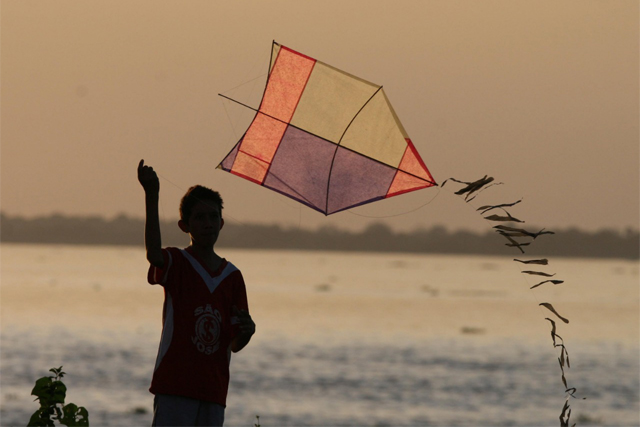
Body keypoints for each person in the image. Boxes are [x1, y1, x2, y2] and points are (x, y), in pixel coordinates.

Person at [137, 159, 255, 426]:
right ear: (184, 226)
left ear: (222, 222)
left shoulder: (233, 277)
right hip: (175, 385)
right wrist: (152, 194)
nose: (207, 223)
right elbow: (154, 254)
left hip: (213, 391)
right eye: (199, 218)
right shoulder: (177, 262)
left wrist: (248, 331)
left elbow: (235, 344)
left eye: (213, 217)